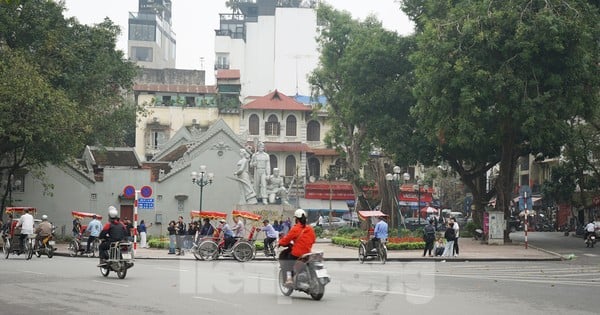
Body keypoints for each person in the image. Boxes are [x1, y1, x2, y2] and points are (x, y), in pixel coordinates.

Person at [278, 209, 316, 286]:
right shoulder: (310, 229)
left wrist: (280, 242)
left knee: (287, 262)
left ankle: (289, 279)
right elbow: (313, 240)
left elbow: (286, 240)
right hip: (308, 253)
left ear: (296, 219)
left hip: (297, 254)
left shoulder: (295, 229)